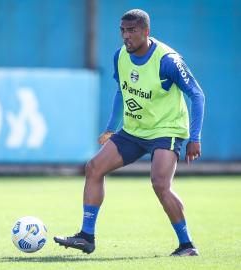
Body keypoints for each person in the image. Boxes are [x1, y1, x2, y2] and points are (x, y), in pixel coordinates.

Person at [54, 9, 205, 256]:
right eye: (122, 30)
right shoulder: (120, 56)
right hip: (134, 130)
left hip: (166, 130)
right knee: (93, 167)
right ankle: (86, 236)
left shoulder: (167, 60)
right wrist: (111, 128)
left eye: (132, 31)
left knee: (159, 184)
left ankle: (187, 245)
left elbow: (197, 95)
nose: (126, 36)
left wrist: (195, 137)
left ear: (146, 32)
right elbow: (122, 91)